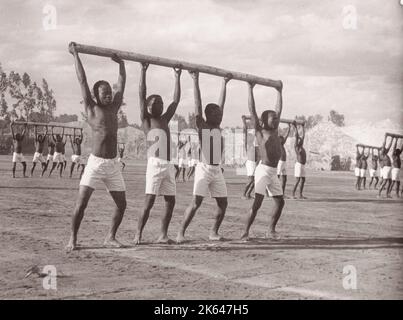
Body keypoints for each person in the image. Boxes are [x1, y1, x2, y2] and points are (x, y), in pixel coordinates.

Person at [66, 42, 127, 252]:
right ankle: (73, 239)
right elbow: (82, 81)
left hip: (113, 164)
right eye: (104, 92)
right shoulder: (91, 108)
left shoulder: (114, 107)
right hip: (96, 163)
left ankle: (110, 237)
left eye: (109, 91)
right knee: (81, 204)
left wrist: (121, 65)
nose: (109, 94)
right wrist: (76, 55)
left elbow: (121, 84)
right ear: (96, 95)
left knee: (122, 204)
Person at [176, 71, 231, 244]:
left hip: (217, 170)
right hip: (204, 168)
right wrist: (195, 79)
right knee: (196, 202)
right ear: (208, 115)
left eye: (220, 113)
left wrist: (225, 83)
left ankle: (213, 232)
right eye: (216, 113)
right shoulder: (203, 126)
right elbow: (198, 105)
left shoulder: (218, 127)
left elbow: (222, 102)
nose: (219, 115)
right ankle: (180, 233)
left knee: (223, 203)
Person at [134, 62, 182, 245]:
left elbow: (176, 101)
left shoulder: (164, 118)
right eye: (155, 103)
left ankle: (163, 234)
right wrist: (143, 71)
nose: (160, 105)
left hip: (168, 164)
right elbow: (141, 95)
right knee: (149, 200)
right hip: (154, 163)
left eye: (161, 103)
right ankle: (138, 233)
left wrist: (177, 77)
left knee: (170, 201)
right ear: (147, 107)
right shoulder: (147, 120)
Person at [241, 80, 284, 240]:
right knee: (257, 204)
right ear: (264, 120)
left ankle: (271, 230)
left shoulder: (275, 130)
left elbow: (279, 108)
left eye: (277, 118)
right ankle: (245, 232)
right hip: (263, 171)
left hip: (273, 172)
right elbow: (252, 111)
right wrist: (250, 89)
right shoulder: (260, 132)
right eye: (273, 118)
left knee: (280, 202)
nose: (276, 120)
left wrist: (279, 91)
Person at [242, 131, 260, 200]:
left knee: (255, 180)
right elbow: (246, 135)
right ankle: (243, 194)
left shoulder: (255, 145)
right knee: (251, 180)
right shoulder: (248, 145)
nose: (252, 138)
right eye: (250, 137)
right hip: (250, 163)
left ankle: (248, 194)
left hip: (255, 163)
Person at [292, 122, 307, 199]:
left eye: (301, 140)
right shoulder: (296, 146)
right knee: (298, 180)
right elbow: (297, 136)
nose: (300, 140)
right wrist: (295, 127)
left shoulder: (301, 146)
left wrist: (303, 127)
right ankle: (293, 194)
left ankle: (300, 194)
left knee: (303, 180)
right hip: (299, 165)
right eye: (299, 140)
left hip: (303, 165)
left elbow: (303, 136)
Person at [277, 123, 291, 195]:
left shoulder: (282, 144)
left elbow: (287, 135)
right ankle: (273, 192)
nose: (283, 139)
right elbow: (275, 133)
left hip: (284, 162)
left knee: (285, 178)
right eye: (281, 138)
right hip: (280, 162)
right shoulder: (277, 143)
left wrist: (289, 127)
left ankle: (282, 193)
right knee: (277, 177)